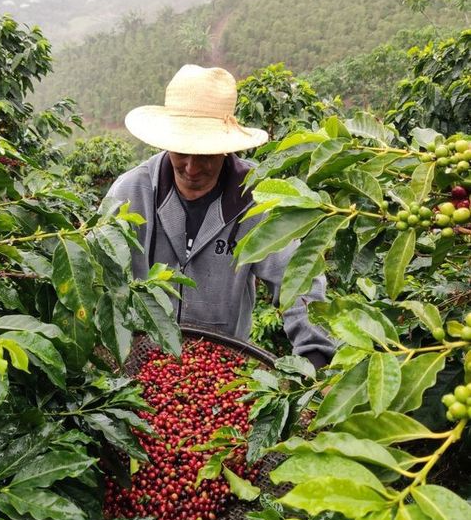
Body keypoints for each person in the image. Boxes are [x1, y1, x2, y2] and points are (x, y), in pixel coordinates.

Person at [107, 64, 334, 368]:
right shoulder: (131, 193)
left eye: (206, 155)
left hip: (222, 368)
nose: (191, 167)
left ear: (226, 150)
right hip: (143, 363)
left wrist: (316, 355)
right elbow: (101, 275)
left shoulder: (257, 199)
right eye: (181, 151)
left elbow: (299, 278)